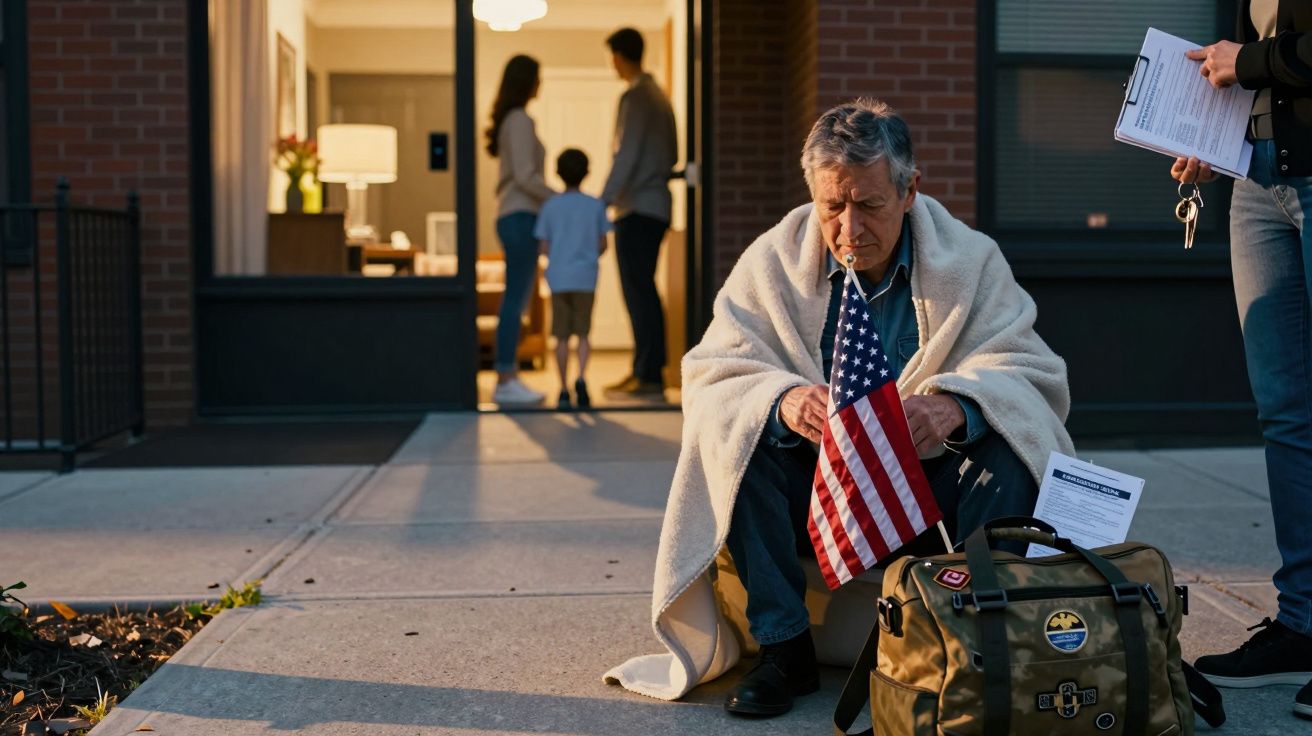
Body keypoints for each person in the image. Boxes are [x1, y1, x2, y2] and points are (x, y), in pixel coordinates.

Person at [603, 99, 1073, 715]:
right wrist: (782, 401)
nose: (850, 230)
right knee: (737, 438)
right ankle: (784, 651)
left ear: (910, 190)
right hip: (817, 493)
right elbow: (712, 374)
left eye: (870, 205)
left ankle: (980, 645)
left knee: (1008, 455)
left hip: (929, 496)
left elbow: (1032, 374)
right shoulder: (771, 260)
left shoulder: (974, 261)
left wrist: (958, 408)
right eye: (833, 206)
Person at [1169, 0, 1312, 720]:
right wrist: (1215, 134)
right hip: (1260, 179)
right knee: (1286, 412)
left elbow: (1260, 56)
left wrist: (1245, 62)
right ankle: (1304, 624)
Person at [599, 28, 678, 400]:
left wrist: (602, 201)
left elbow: (625, 154)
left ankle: (647, 375)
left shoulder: (636, 97)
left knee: (638, 290)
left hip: (637, 207)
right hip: (657, 205)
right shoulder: (659, 97)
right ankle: (646, 370)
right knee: (644, 289)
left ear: (619, 56)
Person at [486, 54, 556, 406]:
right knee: (515, 299)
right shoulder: (520, 120)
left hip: (514, 216)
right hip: (520, 217)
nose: (540, 83)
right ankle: (505, 376)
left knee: (516, 298)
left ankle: (507, 374)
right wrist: (561, 199)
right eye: (538, 77)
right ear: (528, 81)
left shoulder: (512, 120)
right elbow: (527, 177)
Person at [535, 149, 612, 411]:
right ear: (587, 173)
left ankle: (563, 388)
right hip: (586, 277)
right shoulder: (595, 205)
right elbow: (603, 244)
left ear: (557, 173)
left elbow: (543, 246)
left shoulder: (550, 206)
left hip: (558, 278)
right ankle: (581, 378)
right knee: (583, 332)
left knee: (561, 336)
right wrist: (588, 255)